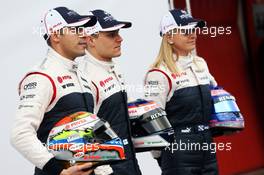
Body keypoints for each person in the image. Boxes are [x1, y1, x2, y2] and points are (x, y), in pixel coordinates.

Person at [10, 6, 99, 175]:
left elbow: (91, 134)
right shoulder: (41, 76)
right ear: (56, 35)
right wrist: (59, 171)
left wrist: (105, 172)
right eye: (75, 29)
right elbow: (20, 134)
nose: (84, 35)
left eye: (83, 29)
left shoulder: (83, 76)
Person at [144, 9, 219, 175]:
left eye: (193, 29)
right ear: (169, 37)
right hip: (177, 151)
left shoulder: (201, 64)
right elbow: (152, 122)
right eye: (185, 31)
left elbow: (217, 98)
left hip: (207, 146)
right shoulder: (158, 74)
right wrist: (161, 156)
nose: (192, 34)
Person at [77, 9, 142, 175]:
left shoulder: (113, 69)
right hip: (109, 169)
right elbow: (83, 136)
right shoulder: (85, 76)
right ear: (90, 39)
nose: (120, 39)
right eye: (112, 34)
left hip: (130, 163)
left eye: (118, 33)